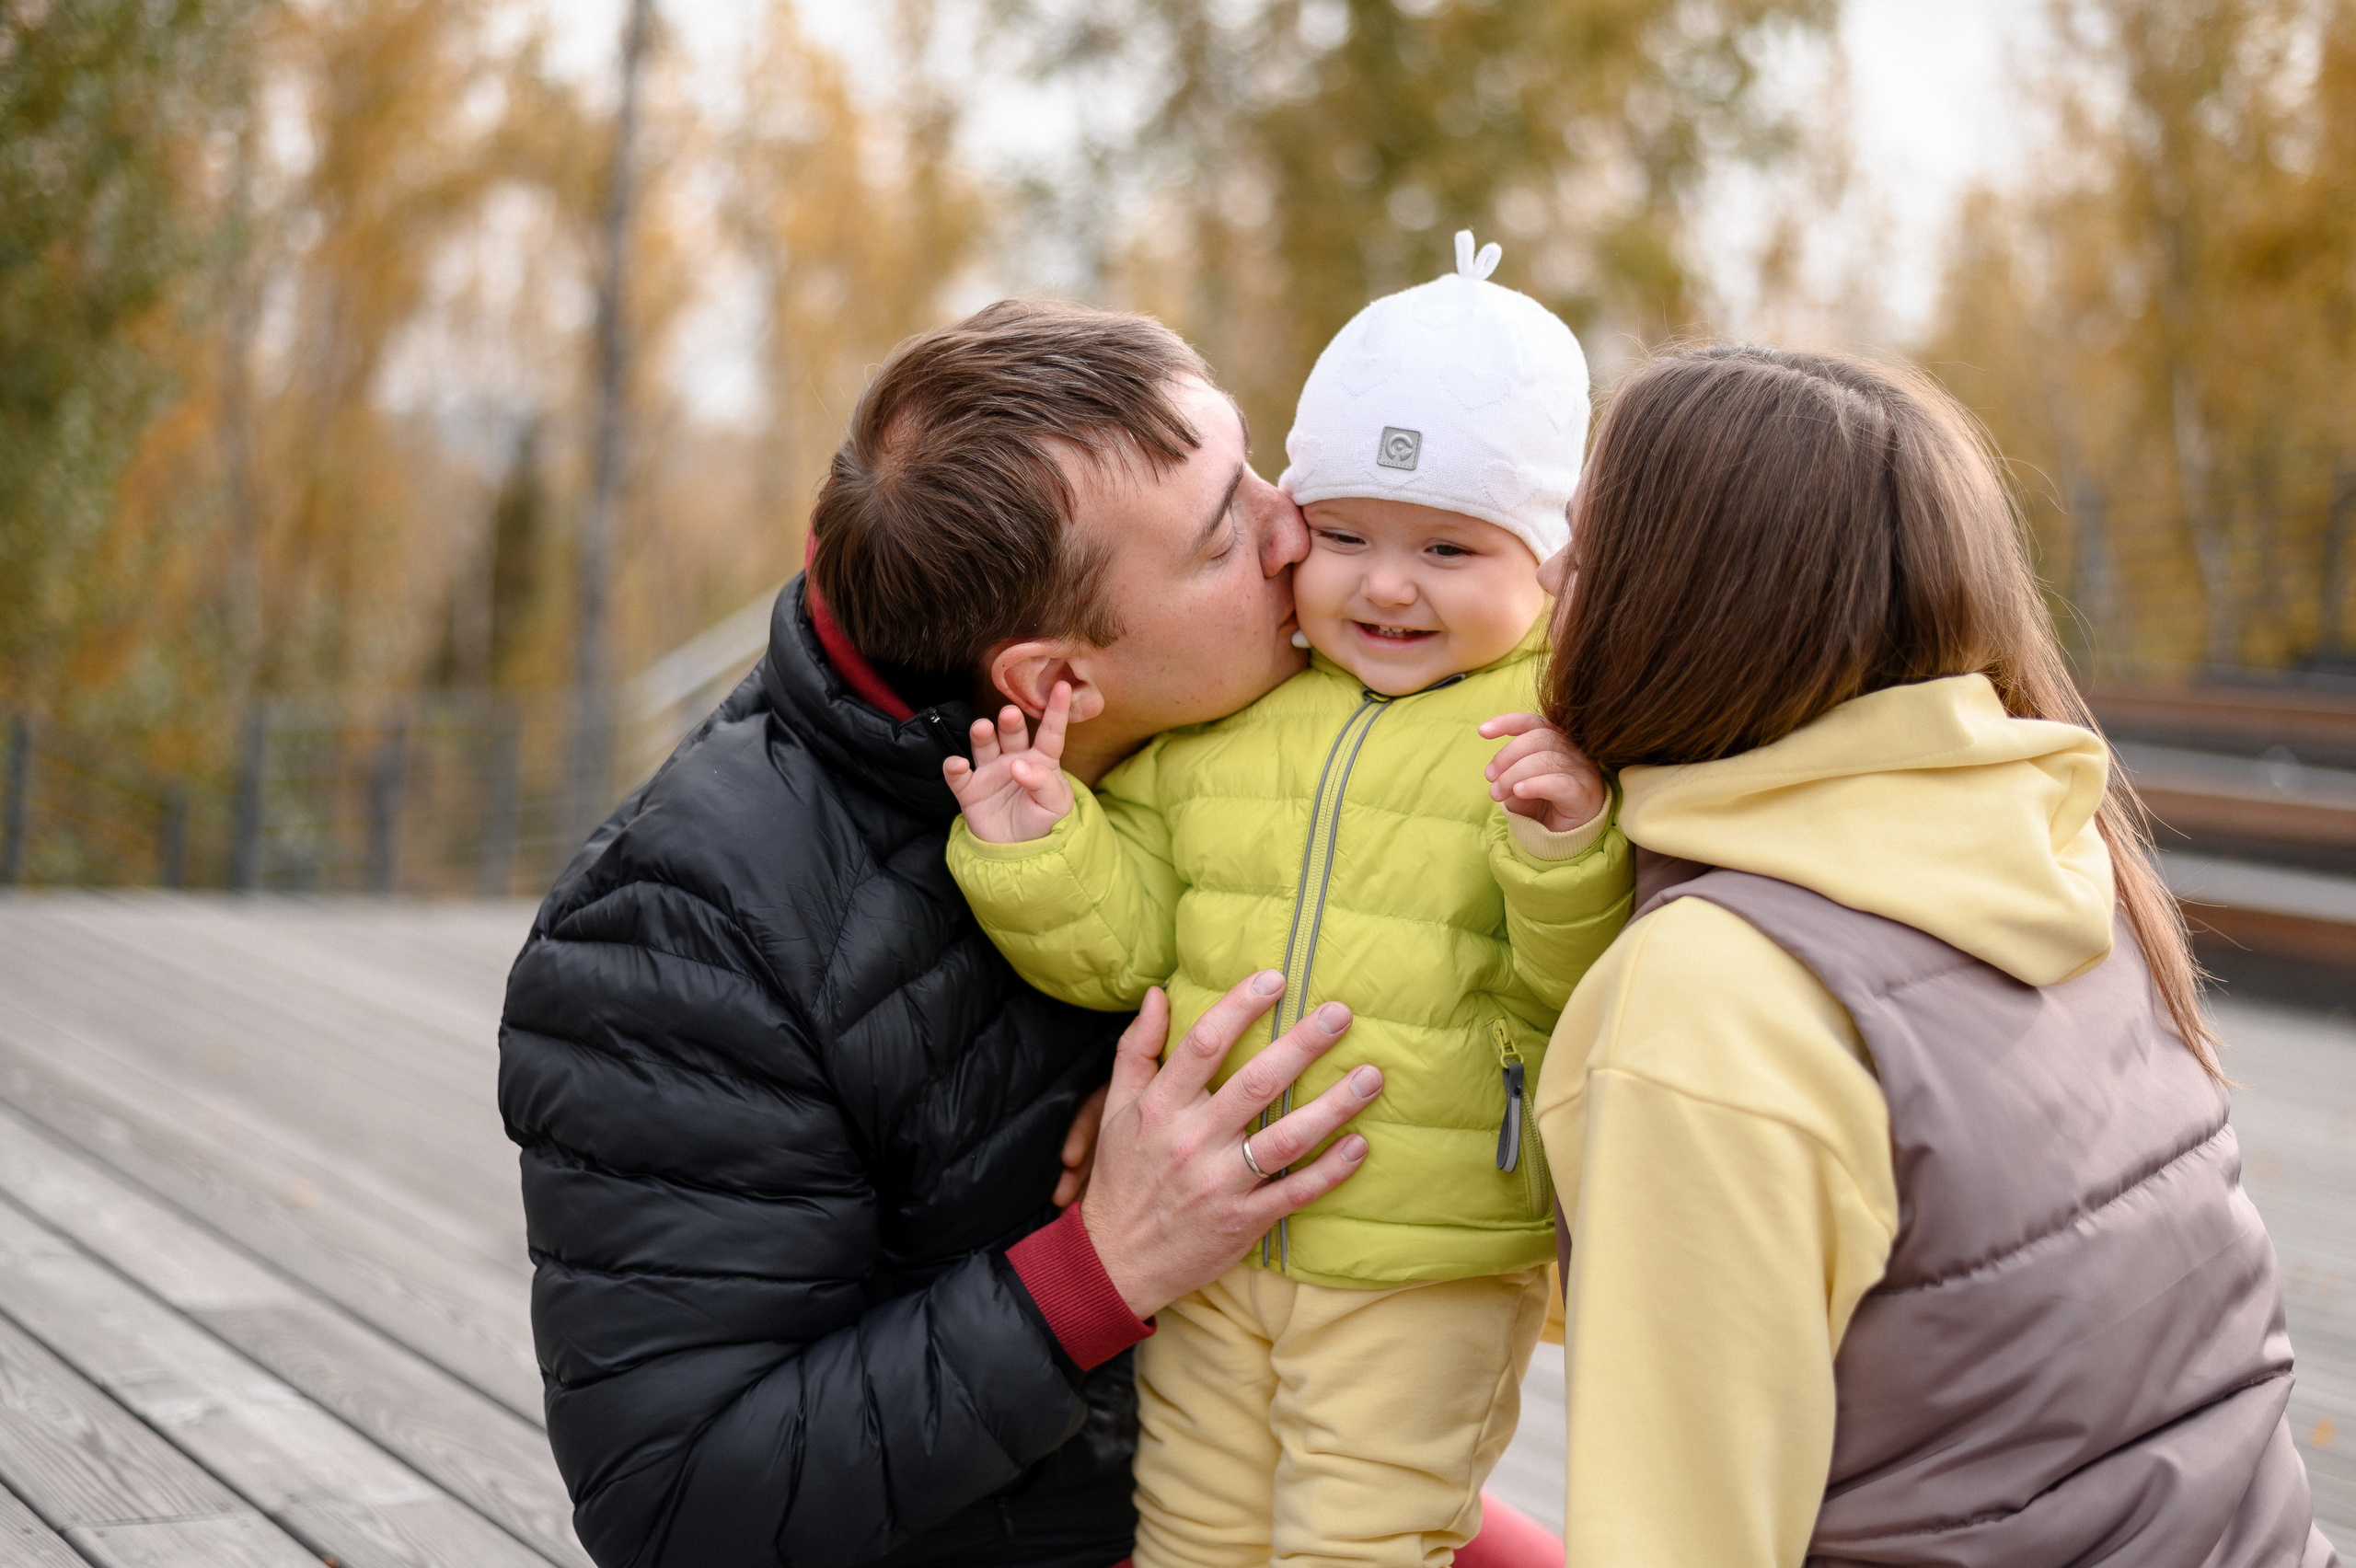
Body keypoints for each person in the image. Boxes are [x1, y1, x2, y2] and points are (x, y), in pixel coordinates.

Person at [498, 298, 1558, 1568]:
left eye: (1256, 464)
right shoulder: (680, 934)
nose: (1298, 528)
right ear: (1055, 686)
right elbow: (675, 1509)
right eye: (1229, 533)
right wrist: (1099, 1262)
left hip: (1261, 1426)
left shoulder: (1285, 718)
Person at [1525, 345, 2338, 1566]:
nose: (1543, 577)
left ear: (1681, 612)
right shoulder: (2060, 853)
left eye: (1584, 553)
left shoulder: (1716, 997)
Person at [943, 235, 1633, 1567]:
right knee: (1191, 1535)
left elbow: (1583, 991)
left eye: (1448, 547)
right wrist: (1042, 851)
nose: (1385, 583)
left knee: (1360, 1542)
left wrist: (1570, 852)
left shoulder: (1551, 728)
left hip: (1422, 1251)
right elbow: (1132, 944)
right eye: (1349, 536)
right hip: (1212, 1246)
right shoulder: (1234, 714)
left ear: (1541, 561)